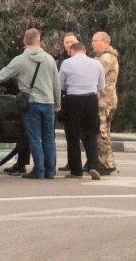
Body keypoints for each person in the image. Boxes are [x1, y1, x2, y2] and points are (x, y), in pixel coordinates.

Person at [0, 28, 61, 179]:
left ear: (24, 41)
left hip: (32, 104)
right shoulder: (49, 59)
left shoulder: (20, 60)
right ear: (39, 40)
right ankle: (50, 171)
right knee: (48, 138)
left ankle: (39, 170)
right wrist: (57, 103)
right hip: (48, 103)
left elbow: (2, 75)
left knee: (35, 138)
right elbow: (56, 84)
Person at [58, 43, 103, 180]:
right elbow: (101, 85)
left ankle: (76, 170)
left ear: (72, 51)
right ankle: (93, 166)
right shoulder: (97, 63)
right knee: (91, 134)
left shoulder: (67, 63)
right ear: (84, 51)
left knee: (72, 136)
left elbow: (61, 85)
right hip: (91, 100)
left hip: (73, 100)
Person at [92, 31, 120, 176]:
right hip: (107, 100)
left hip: (104, 100)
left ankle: (105, 163)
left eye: (95, 41)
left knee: (101, 132)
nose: (93, 44)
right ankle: (107, 162)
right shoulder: (107, 57)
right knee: (104, 132)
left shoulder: (106, 58)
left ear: (105, 42)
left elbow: (95, 74)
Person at [56, 32, 80, 172]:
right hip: (67, 99)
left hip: (81, 98)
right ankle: (72, 162)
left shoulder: (85, 57)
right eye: (67, 42)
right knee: (70, 134)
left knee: (85, 135)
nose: (69, 44)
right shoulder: (62, 58)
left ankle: (91, 162)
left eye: (72, 41)